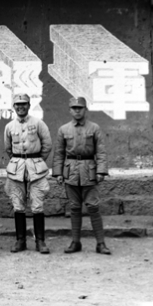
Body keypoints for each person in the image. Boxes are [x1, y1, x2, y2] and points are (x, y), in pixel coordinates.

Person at [53, 97, 111, 255]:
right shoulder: (63, 130)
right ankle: (75, 242)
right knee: (74, 208)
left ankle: (100, 243)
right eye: (74, 108)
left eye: (80, 108)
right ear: (70, 110)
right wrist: (58, 173)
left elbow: (101, 151)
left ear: (86, 109)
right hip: (70, 171)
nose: (77, 110)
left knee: (93, 206)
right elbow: (59, 153)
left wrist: (101, 171)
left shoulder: (94, 128)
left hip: (89, 171)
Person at [4, 93, 53, 254]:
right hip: (16, 169)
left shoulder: (38, 123)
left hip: (36, 169)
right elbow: (8, 149)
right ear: (14, 107)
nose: (21, 107)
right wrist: (19, 162)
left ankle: (40, 241)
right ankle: (20, 240)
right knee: (18, 205)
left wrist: (36, 161)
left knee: (37, 205)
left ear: (29, 105)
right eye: (17, 104)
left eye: (23, 104)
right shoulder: (9, 127)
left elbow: (47, 145)